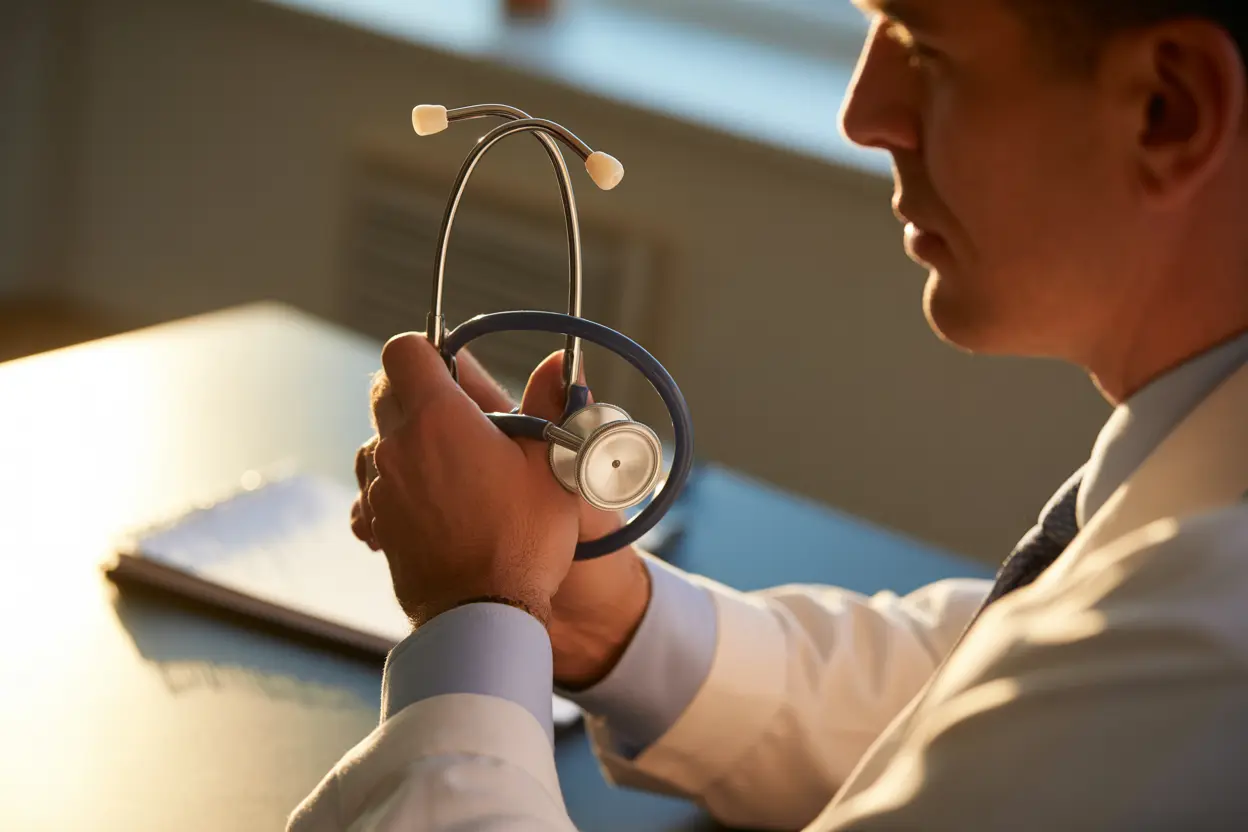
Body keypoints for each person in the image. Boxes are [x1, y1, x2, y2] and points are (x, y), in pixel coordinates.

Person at [290, 0, 1248, 828]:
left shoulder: (1211, 643)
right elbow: (1004, 706)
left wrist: (478, 614)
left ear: (1170, 109)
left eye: (926, 47)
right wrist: (605, 617)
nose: (862, 114)